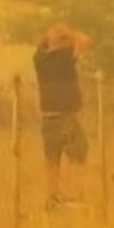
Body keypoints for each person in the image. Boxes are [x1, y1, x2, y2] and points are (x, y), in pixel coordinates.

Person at [33, 22, 90, 206]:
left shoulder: (39, 59)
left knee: (52, 159)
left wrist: (49, 37)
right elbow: (84, 41)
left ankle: (53, 197)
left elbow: (41, 45)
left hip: (48, 117)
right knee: (78, 150)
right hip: (66, 115)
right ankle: (71, 195)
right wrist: (70, 34)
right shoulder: (65, 56)